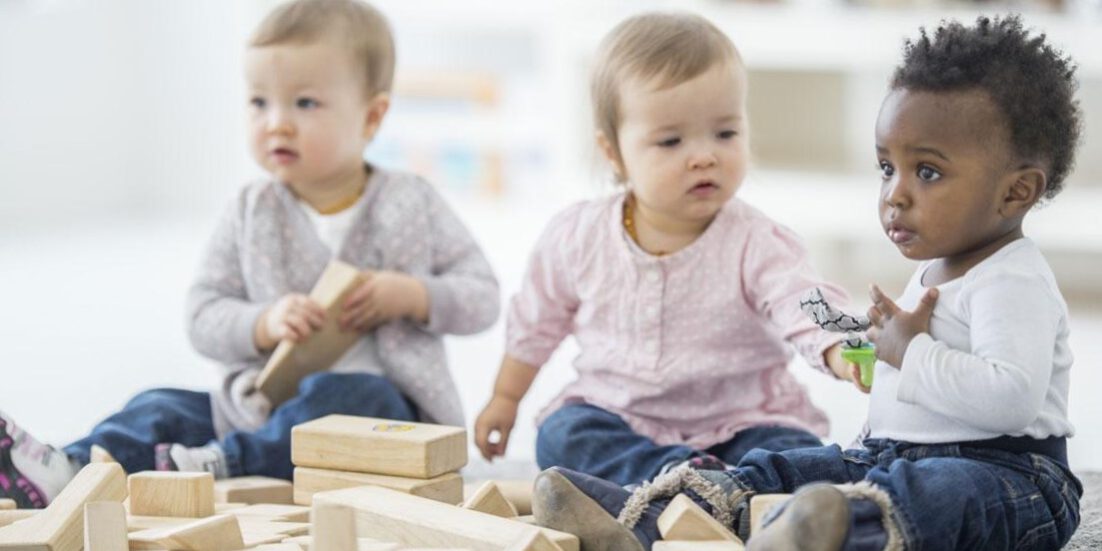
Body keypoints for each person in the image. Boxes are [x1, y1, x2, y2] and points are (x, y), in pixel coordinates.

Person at [531, 14, 1083, 551]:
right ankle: (664, 513)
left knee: (937, 492)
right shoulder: (940, 266)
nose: (895, 194)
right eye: (886, 168)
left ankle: (841, 528)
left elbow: (1009, 400)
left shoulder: (1013, 281)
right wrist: (858, 340)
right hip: (893, 456)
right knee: (794, 467)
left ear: (1015, 193)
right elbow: (830, 317)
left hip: (1012, 473)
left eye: (928, 172)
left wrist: (906, 352)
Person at [0, 0, 499, 508]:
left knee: (347, 397)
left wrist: (414, 295)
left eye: (305, 104)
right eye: (259, 102)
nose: (276, 123)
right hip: (260, 403)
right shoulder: (250, 211)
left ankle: (223, 463)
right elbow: (203, 316)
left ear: (371, 117)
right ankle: (65, 469)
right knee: (158, 406)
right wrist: (263, 323)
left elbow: (483, 296)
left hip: (385, 421)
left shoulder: (411, 201)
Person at [473, 11, 863, 487]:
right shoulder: (578, 237)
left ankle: (703, 491)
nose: (704, 155)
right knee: (561, 437)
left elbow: (802, 300)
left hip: (743, 419)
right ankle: (689, 482)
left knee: (794, 453)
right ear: (614, 153)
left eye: (726, 133)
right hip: (622, 415)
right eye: (671, 140)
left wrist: (840, 347)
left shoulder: (756, 241)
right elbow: (534, 322)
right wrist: (505, 399)